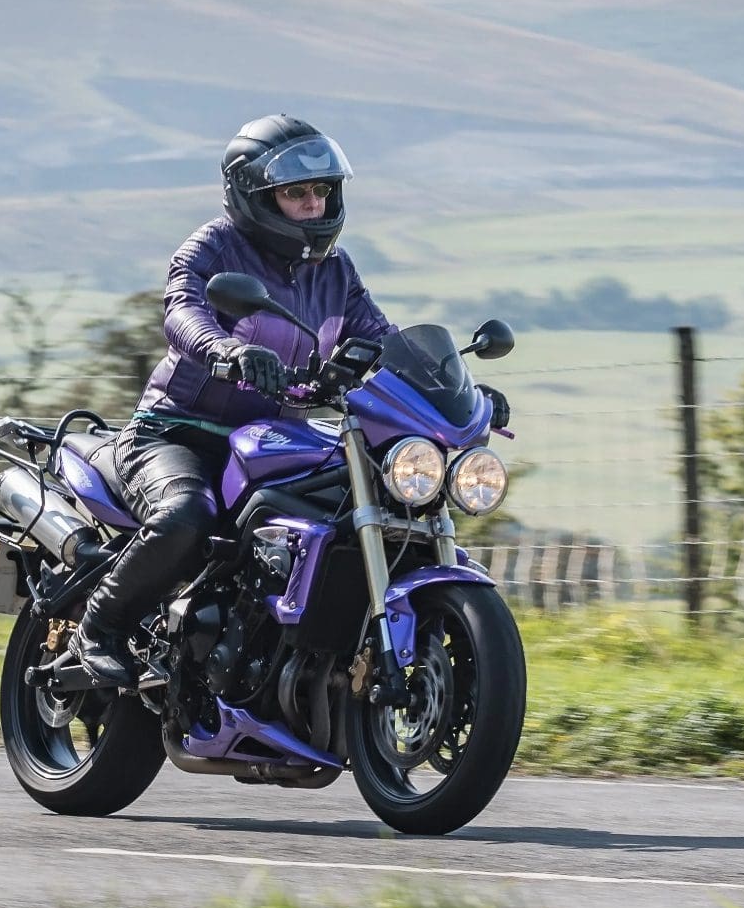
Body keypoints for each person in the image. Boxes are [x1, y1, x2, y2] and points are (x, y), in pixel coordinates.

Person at [70, 114, 509, 688]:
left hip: (274, 436)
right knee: (186, 516)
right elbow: (183, 309)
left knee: (356, 507)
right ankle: (97, 629)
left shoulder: (336, 270)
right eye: (295, 192)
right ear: (254, 195)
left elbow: (379, 338)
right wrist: (223, 350)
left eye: (320, 191)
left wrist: (455, 393)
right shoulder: (215, 246)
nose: (311, 204)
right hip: (179, 431)